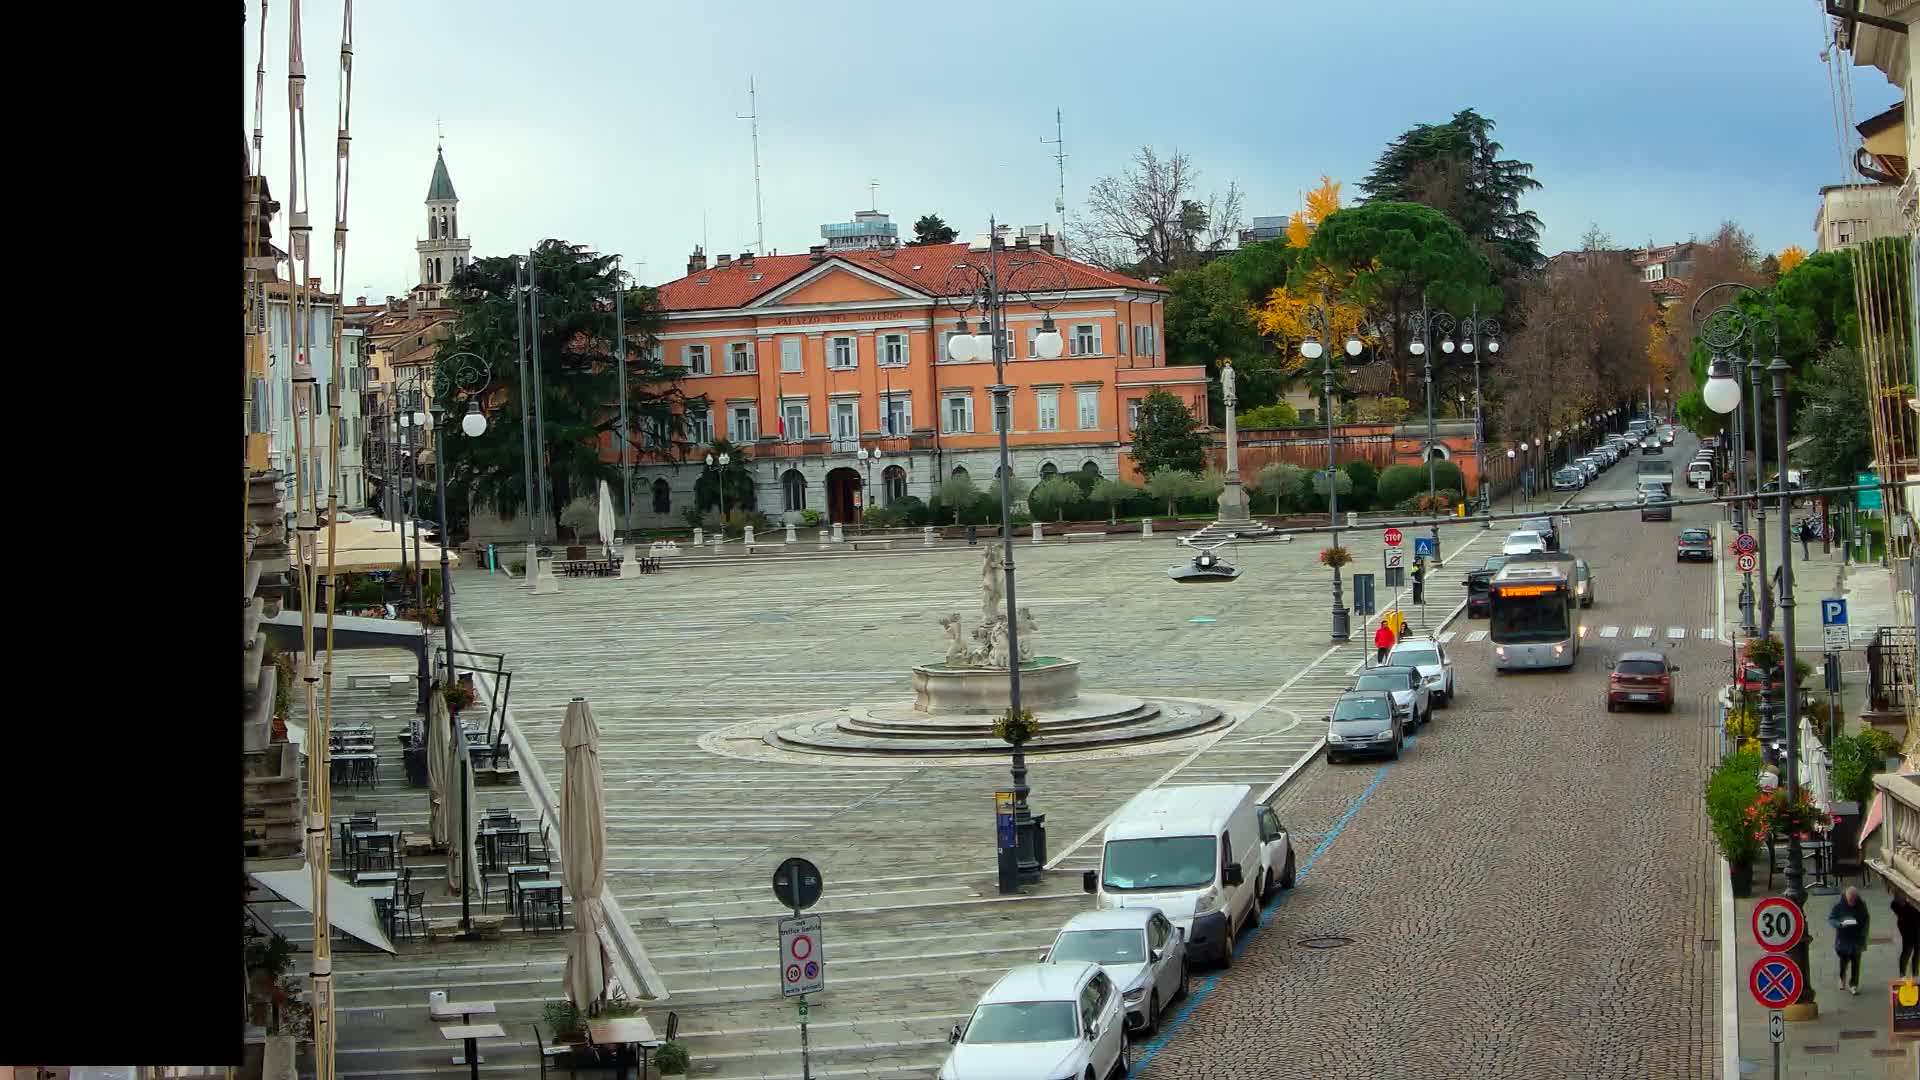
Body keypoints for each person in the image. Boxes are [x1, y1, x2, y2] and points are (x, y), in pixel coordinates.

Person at [1830, 886, 1872, 994]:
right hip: (1843, 938)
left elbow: (1866, 919)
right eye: (1850, 900)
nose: (1852, 902)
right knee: (1843, 962)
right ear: (1846, 897)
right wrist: (1839, 924)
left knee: (1856, 963)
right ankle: (1842, 977)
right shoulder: (1838, 905)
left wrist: (1863, 933)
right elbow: (1831, 918)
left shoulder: (1861, 905)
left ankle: (1853, 985)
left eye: (1854, 900)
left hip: (1857, 938)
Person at [1894, 892, 1920, 980]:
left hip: (1917, 927)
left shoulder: (1909, 905)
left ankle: (1914, 974)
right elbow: (1905, 912)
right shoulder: (1897, 906)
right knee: (1907, 951)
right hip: (1907, 930)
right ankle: (1903, 975)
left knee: (1917, 951)